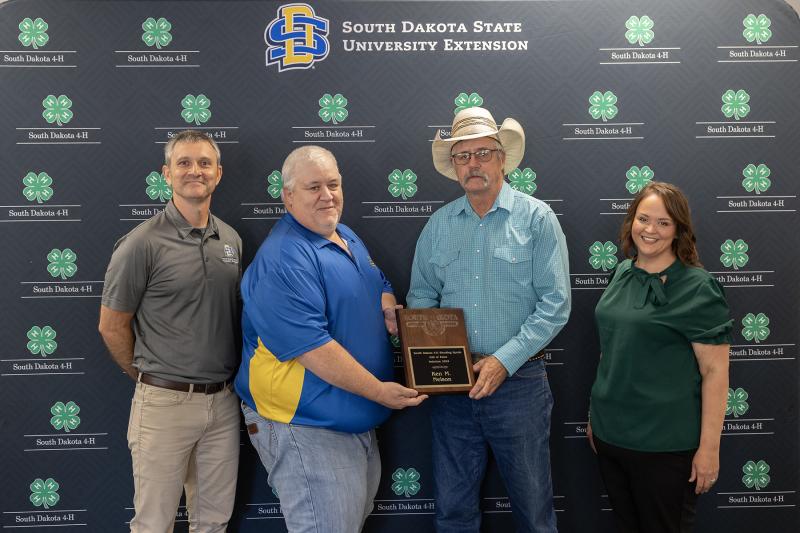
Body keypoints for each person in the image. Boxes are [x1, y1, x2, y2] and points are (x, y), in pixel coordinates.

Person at [235, 145, 426, 533]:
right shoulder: (283, 259)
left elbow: (377, 282)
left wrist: (387, 305)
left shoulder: (345, 235)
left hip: (349, 420)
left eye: (334, 184)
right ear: (288, 196)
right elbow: (313, 349)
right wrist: (378, 391)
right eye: (313, 187)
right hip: (305, 425)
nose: (327, 195)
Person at [407, 106, 571, 532]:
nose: (473, 163)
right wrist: (435, 352)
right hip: (452, 390)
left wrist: (503, 361)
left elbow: (555, 304)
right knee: (454, 513)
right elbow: (421, 295)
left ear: (502, 158)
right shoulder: (439, 225)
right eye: (463, 155)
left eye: (483, 152)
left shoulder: (537, 219)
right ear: (454, 166)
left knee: (534, 514)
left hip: (519, 385)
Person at [98, 130, 242, 533]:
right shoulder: (141, 243)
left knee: (213, 523)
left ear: (218, 173)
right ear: (166, 173)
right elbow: (112, 326)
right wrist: (150, 378)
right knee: (153, 524)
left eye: (204, 163)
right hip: (163, 404)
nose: (194, 171)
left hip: (223, 404)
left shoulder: (230, 239)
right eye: (183, 163)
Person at [587, 182, 732, 533]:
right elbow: (610, 350)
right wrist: (595, 415)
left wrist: (709, 450)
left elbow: (715, 371)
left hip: (666, 447)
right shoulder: (622, 273)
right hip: (611, 437)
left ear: (679, 230)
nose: (650, 230)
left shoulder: (698, 288)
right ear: (631, 222)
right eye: (643, 219)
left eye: (664, 223)